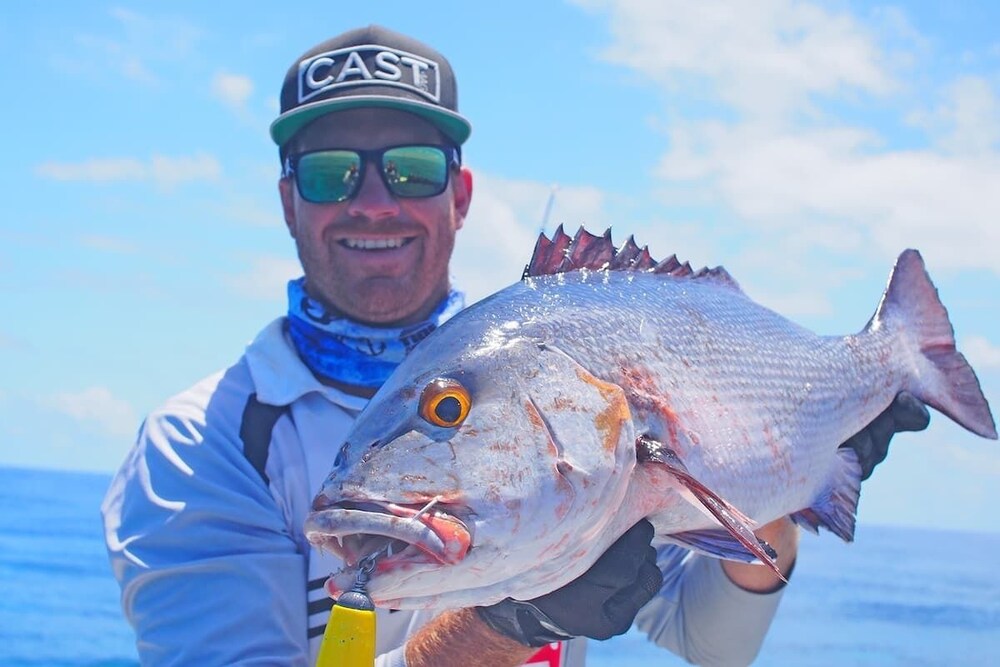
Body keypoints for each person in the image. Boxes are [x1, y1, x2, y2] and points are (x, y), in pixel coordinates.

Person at [101, 24, 931, 667]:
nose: (374, 202)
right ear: (289, 202)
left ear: (460, 195)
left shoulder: (564, 356)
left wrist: (780, 498)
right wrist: (513, 620)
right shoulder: (203, 445)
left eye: (413, 168)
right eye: (330, 174)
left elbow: (709, 641)